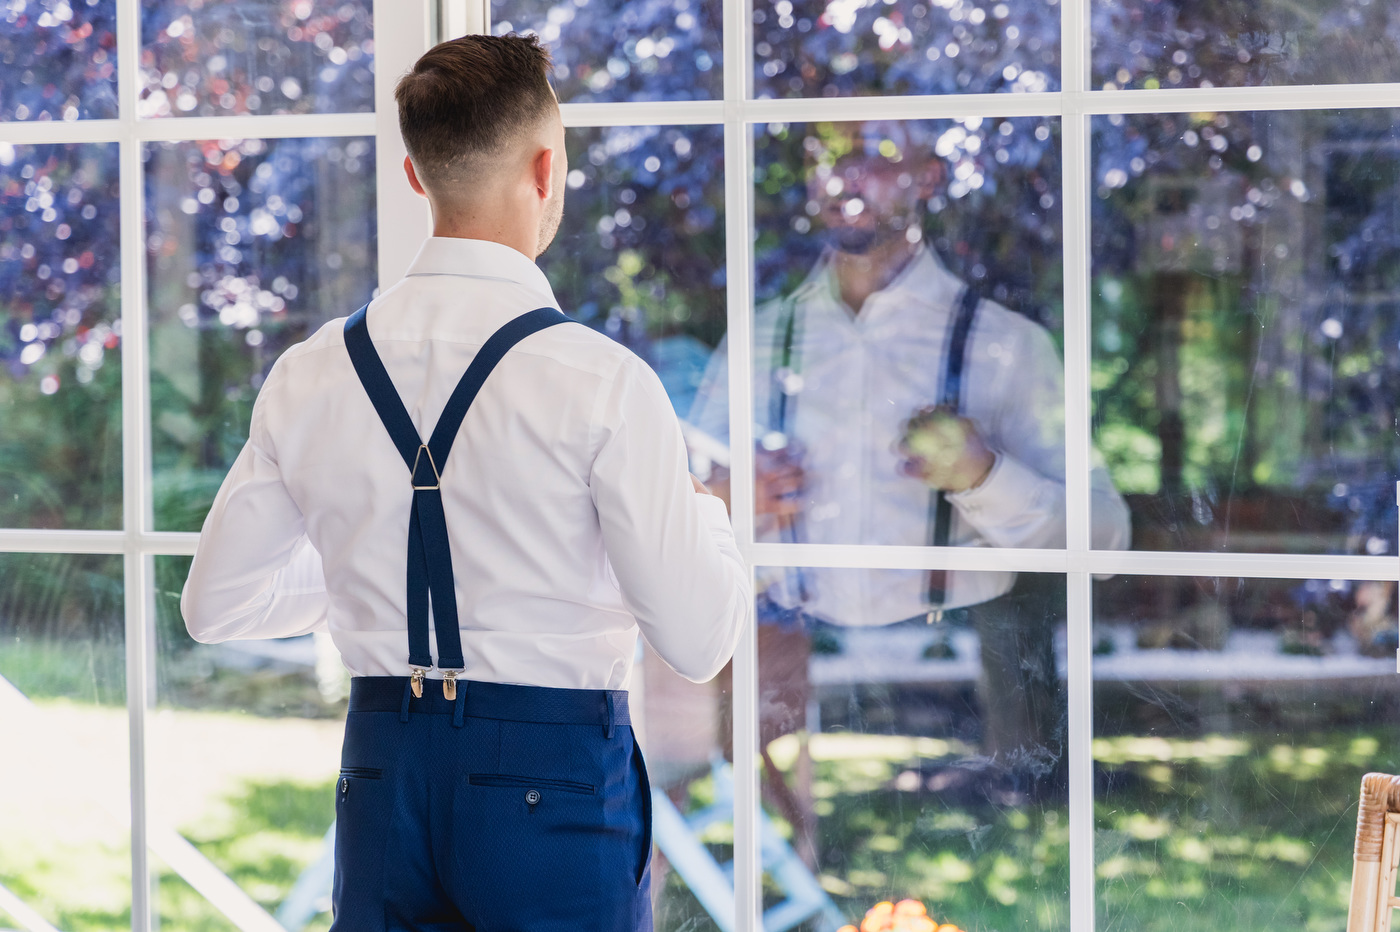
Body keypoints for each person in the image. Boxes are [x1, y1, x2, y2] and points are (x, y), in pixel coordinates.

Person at [181, 35, 750, 932]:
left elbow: (215, 607)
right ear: (545, 168)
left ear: (415, 175)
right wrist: (711, 523)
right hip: (554, 782)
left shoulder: (311, 372)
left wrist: (356, 579)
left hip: (380, 772)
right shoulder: (600, 380)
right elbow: (697, 639)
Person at [689, 120, 1130, 842]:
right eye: (826, 154)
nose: (844, 175)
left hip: (961, 700)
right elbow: (674, 520)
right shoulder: (759, 341)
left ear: (928, 176)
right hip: (791, 694)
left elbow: (1107, 538)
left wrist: (985, 476)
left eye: (874, 154)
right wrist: (727, 499)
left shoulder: (1004, 346)